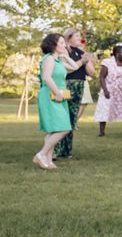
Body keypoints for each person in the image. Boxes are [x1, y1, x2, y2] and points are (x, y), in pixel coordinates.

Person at [54, 28, 95, 159]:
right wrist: (81, 62)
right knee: (63, 117)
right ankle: (56, 149)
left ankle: (66, 151)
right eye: (76, 36)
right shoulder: (65, 51)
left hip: (79, 85)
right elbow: (65, 70)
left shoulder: (81, 51)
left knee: (71, 118)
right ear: (69, 38)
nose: (79, 38)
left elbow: (91, 72)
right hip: (67, 85)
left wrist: (87, 60)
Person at [34, 34, 72, 170]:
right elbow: (46, 78)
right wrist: (57, 92)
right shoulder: (49, 59)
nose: (64, 45)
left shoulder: (57, 60)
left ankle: (48, 161)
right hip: (51, 95)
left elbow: (74, 67)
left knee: (52, 130)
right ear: (53, 45)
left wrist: (65, 56)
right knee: (64, 129)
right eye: (61, 43)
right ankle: (41, 154)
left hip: (58, 95)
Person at [94, 44, 122, 136]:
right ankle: (101, 132)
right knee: (105, 107)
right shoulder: (107, 62)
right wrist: (105, 90)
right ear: (116, 53)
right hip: (110, 88)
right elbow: (102, 76)